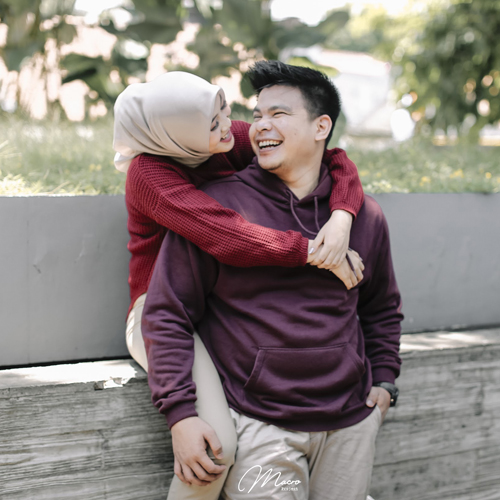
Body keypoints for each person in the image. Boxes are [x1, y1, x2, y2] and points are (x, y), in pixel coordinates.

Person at [142, 61, 403, 500]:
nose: (260, 125)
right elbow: (168, 313)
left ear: (321, 127)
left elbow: (381, 307)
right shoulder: (217, 210)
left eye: (278, 114)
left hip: (352, 420)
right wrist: (180, 413)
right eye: (258, 114)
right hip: (260, 424)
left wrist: (385, 381)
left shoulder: (363, 216)